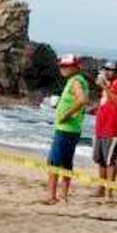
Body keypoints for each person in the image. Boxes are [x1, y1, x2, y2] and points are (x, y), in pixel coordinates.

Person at [44, 54, 89, 204]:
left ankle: (52, 197)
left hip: (66, 128)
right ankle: (63, 195)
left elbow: (82, 100)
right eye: (62, 66)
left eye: (66, 66)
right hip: (73, 128)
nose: (62, 68)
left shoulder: (76, 81)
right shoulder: (78, 80)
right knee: (66, 162)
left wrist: (65, 114)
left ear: (75, 67)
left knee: (53, 162)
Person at [91, 60, 117, 199]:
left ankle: (109, 192)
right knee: (100, 159)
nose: (107, 72)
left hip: (114, 127)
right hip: (101, 126)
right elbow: (105, 103)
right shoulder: (109, 84)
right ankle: (101, 188)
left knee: (110, 160)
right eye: (106, 69)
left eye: (111, 69)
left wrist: (104, 86)